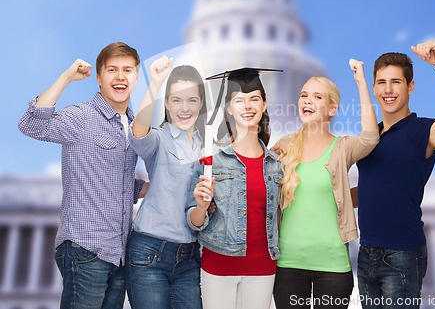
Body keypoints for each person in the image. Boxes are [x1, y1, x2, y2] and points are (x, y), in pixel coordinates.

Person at [18, 42, 146, 309]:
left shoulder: (134, 126)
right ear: (99, 78)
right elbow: (31, 124)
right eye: (112, 70)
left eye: (127, 70)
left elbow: (119, 183)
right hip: (85, 249)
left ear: (136, 76)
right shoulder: (81, 117)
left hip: (119, 253)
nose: (120, 76)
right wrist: (66, 77)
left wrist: (163, 187)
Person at [356, 41, 435, 309]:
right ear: (373, 87)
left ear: (410, 86)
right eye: (381, 82)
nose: (388, 90)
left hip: (402, 254)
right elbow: (371, 190)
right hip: (366, 253)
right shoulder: (370, 137)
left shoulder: (423, 131)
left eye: (396, 82)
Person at [272, 60, 379, 309]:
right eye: (304, 95)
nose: (308, 101)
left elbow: (371, 137)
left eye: (317, 97)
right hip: (287, 265)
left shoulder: (342, 148)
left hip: (332, 266)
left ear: (332, 109)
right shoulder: (283, 147)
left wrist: (361, 83)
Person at [186, 68, 283, 309]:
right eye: (239, 100)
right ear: (229, 108)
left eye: (254, 99)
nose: (247, 106)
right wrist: (201, 207)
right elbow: (194, 221)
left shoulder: (276, 164)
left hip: (262, 268)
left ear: (264, 104)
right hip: (219, 267)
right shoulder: (211, 160)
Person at [125, 57, 207, 309]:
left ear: (201, 103)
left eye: (192, 100)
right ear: (167, 104)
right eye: (176, 100)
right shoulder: (159, 139)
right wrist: (156, 83)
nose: (185, 108)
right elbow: (138, 132)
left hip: (190, 257)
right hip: (148, 253)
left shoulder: (210, 147)